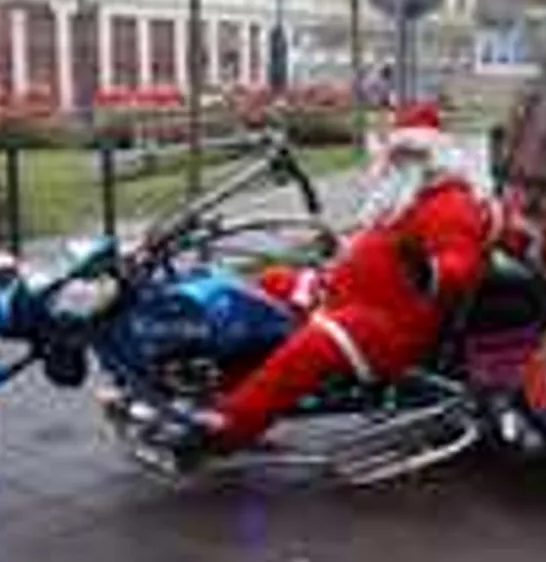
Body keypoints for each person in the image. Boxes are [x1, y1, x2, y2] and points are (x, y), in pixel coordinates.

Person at [131, 103, 496, 460]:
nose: (396, 165)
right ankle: (223, 378)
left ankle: (229, 424)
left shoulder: (449, 204)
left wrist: (432, 271)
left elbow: (459, 263)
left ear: (432, 159)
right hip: (348, 296)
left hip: (389, 323)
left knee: (314, 346)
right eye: (396, 156)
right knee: (268, 285)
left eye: (408, 157)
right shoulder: (407, 198)